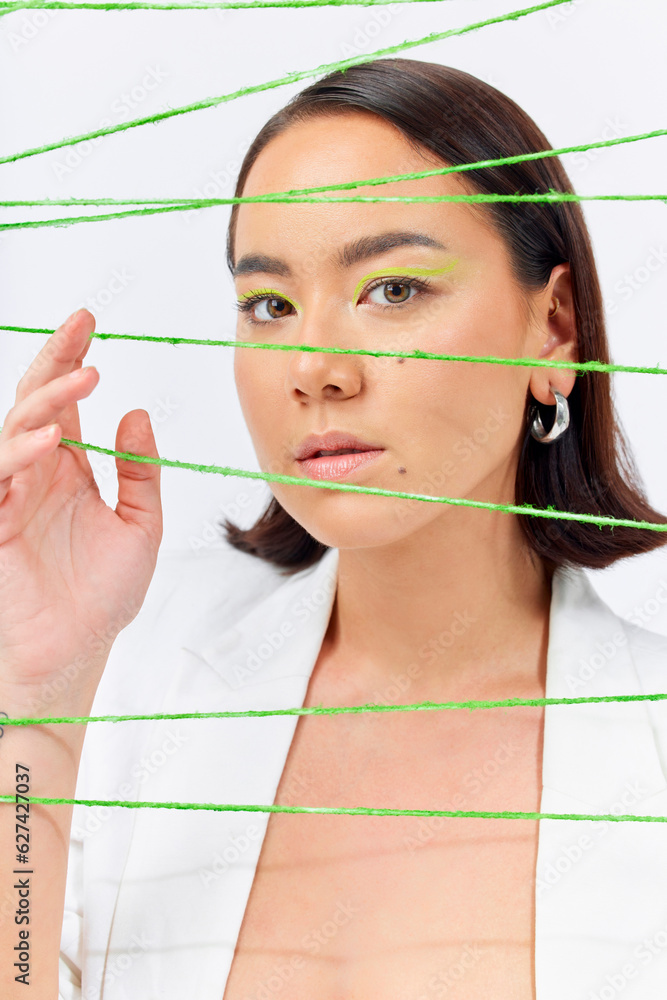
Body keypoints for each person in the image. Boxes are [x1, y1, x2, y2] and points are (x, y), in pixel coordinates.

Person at [1, 57, 666, 1000]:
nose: (315, 368)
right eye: (269, 305)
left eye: (392, 290)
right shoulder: (134, 684)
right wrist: (40, 700)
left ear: (552, 326)